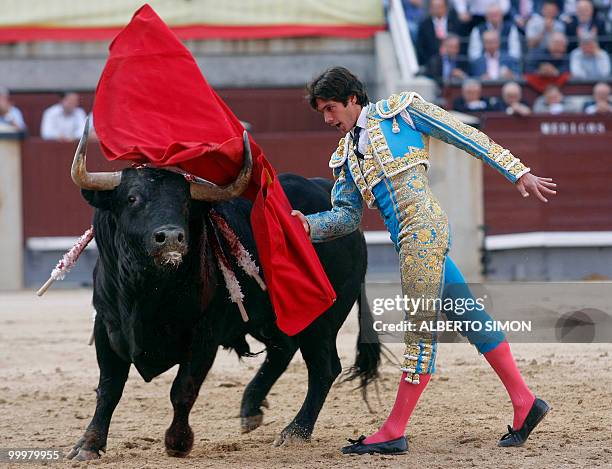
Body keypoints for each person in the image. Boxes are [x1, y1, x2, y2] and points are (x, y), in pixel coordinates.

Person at [292, 67, 555, 455]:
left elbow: (464, 135)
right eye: (322, 113)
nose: (328, 119)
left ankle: (394, 429)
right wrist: (306, 226)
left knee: (418, 335)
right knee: (470, 316)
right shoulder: (346, 155)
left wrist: (517, 171)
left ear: (353, 99)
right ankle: (525, 402)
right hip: (410, 241)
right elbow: (346, 216)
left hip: (423, 233)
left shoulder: (401, 112)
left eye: (331, 108)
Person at [416, 0, 463, 66]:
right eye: (434, 7)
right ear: (430, 8)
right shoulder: (424, 25)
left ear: (446, 8)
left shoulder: (454, 22)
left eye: (439, 7)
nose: (437, 9)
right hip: (430, 63)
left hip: (452, 62)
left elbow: (459, 44)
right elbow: (421, 47)